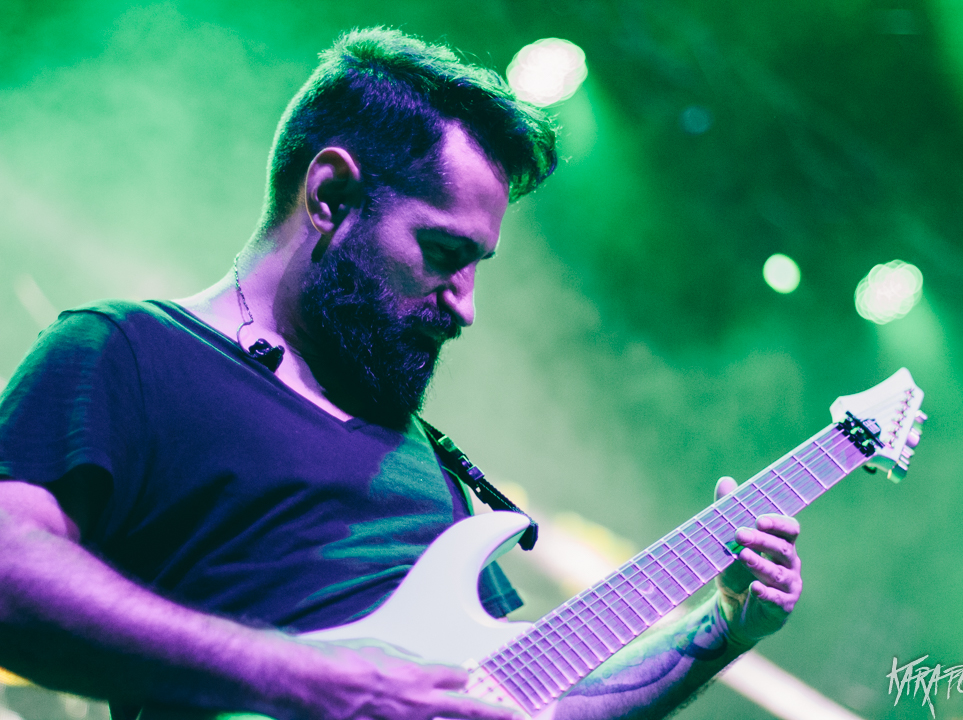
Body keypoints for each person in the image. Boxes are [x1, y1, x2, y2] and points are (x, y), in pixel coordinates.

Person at [0, 26, 802, 720]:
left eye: (478, 265)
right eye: (445, 253)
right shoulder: (130, 352)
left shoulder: (430, 466)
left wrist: (719, 627)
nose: (466, 307)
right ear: (330, 195)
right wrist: (303, 680)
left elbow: (524, 704)